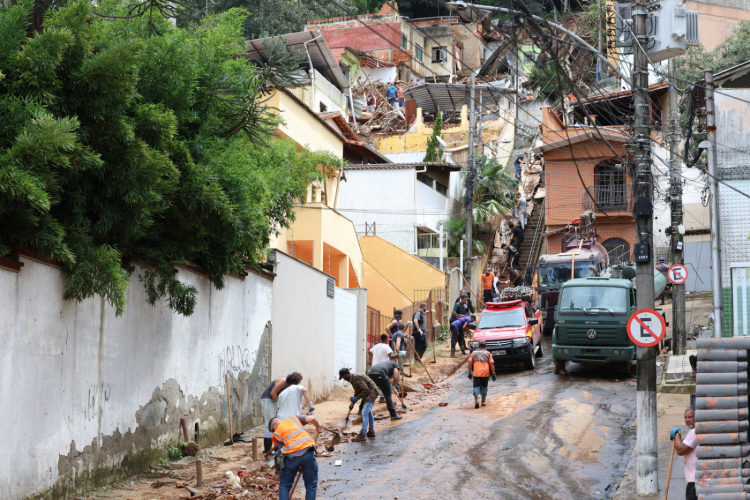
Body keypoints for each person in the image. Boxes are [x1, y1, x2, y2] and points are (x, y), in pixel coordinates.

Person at [269, 414, 321, 500]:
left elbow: (282, 454)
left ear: (275, 424)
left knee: (284, 485)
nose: (273, 431)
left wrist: (296, 464)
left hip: (292, 458)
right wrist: (318, 427)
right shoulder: (294, 418)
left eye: (272, 430)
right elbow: (312, 418)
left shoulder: (277, 433)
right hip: (308, 453)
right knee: (311, 485)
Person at [339, 368, 379, 442]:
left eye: (344, 377)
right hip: (369, 393)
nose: (344, 379)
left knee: (364, 412)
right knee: (368, 411)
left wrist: (356, 398)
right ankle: (371, 431)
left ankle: (362, 435)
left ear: (346, 375)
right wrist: (353, 402)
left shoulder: (356, 378)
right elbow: (358, 391)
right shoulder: (352, 379)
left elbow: (365, 389)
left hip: (372, 393)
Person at [670, 407, 698, 500]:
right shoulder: (694, 431)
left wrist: (677, 434)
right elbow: (683, 446)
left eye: (690, 417)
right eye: (685, 417)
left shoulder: (695, 432)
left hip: (695, 480)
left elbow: (680, 450)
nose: (687, 420)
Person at [260, 376, 288, 453]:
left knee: (276, 423)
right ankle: (267, 449)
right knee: (269, 423)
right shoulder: (283, 381)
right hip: (268, 399)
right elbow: (273, 393)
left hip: (272, 400)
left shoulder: (289, 385)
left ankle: (274, 448)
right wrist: (278, 405)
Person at [468, 340, 496, 408]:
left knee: (476, 386)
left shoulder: (473, 353)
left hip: (476, 372)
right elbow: (491, 364)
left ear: (478, 345)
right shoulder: (488, 353)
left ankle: (477, 400)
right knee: (484, 386)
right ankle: (483, 402)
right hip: (485, 373)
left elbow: (470, 363)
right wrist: (493, 373)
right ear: (485, 345)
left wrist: (469, 372)